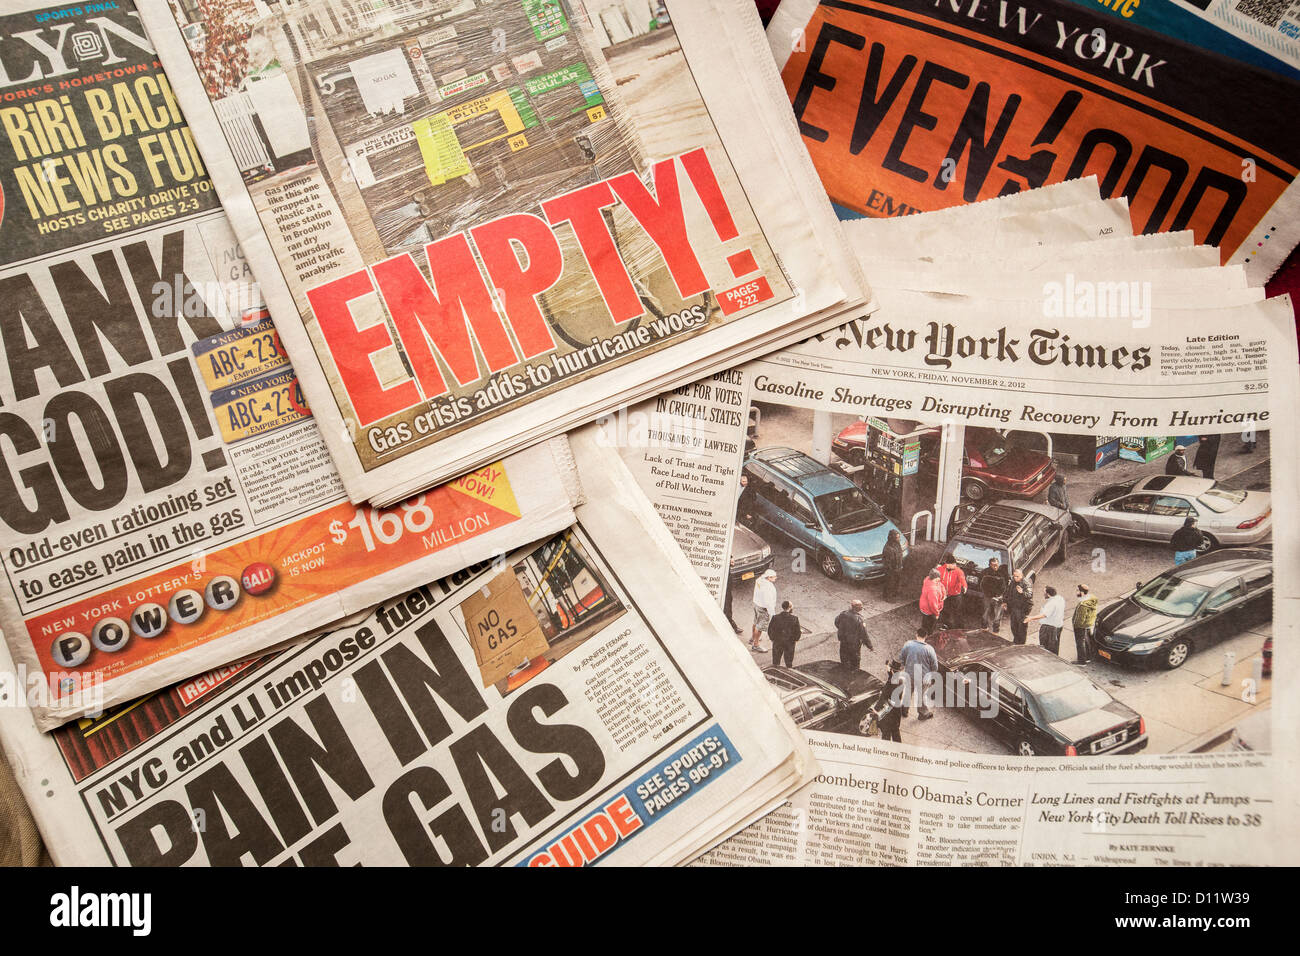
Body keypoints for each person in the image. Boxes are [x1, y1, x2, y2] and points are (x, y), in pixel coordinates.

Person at [899, 628, 939, 720]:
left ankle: (904, 711)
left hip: (909, 674)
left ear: (916, 634)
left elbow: (901, 658)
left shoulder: (908, 644)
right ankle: (922, 714)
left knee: (908, 692)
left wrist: (905, 665)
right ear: (926, 636)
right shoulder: (929, 649)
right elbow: (935, 666)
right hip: (923, 677)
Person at [869, 658, 906, 742]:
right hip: (896, 712)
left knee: (886, 733)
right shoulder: (900, 680)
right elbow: (891, 674)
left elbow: (884, 698)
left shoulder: (891, 684)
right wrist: (887, 667)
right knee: (895, 731)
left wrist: (876, 710)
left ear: (893, 670)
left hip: (888, 711)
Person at [834, 599, 874, 669]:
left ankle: (844, 673)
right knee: (855, 663)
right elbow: (864, 634)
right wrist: (870, 646)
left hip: (844, 641)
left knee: (844, 659)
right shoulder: (859, 620)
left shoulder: (843, 614)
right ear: (856, 607)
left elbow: (836, 622)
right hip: (854, 645)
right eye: (861, 606)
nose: (862, 607)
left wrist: (843, 631)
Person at [1026, 585, 1065, 654]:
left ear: (1048, 594)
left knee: (1046, 647)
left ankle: (1047, 661)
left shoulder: (1051, 604)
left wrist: (1031, 618)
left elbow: (1044, 615)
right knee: (1055, 646)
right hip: (1058, 626)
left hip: (1049, 628)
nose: (1043, 594)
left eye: (1044, 592)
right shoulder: (1060, 598)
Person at [1003, 569, 1034, 645]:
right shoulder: (1013, 582)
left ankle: (1021, 644)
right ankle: (1016, 641)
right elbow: (1008, 592)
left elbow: (1029, 595)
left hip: (1022, 609)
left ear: (1022, 575)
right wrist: (1005, 601)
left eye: (1017, 576)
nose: (1015, 578)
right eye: (1014, 576)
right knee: (1014, 626)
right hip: (1014, 607)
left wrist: (1022, 592)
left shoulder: (1026, 583)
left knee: (1022, 628)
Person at [1071, 584, 1099, 664]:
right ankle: (1088, 657)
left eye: (1077, 590)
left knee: (1080, 643)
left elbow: (1080, 619)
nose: (1076, 592)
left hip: (1081, 626)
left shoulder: (1083, 605)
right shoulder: (1091, 599)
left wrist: (1075, 625)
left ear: (1082, 592)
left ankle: (1081, 661)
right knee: (1086, 641)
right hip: (1088, 624)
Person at [768, 600, 801, 668]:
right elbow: (797, 632)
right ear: (790, 607)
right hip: (789, 644)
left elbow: (770, 630)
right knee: (789, 663)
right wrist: (795, 639)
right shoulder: (794, 619)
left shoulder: (775, 617)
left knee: (776, 662)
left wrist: (773, 639)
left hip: (777, 642)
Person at [751, 569, 777, 652]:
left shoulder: (759, 580)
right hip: (763, 608)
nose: (776, 578)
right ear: (769, 578)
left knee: (755, 622)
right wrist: (772, 614)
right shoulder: (768, 587)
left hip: (756, 604)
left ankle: (752, 638)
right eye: (774, 577)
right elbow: (768, 602)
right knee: (760, 627)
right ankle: (756, 645)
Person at [937, 559, 967, 628]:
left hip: (956, 594)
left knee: (957, 610)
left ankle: (960, 627)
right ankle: (946, 625)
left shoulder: (958, 571)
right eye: (952, 564)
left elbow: (962, 579)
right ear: (947, 564)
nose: (954, 566)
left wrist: (965, 586)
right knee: (944, 610)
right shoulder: (940, 569)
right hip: (945, 593)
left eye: (954, 564)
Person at [980, 557, 1007, 632]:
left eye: (997, 565)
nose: (995, 567)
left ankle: (996, 629)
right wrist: (987, 594)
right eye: (993, 565)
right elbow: (982, 585)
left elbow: (1005, 586)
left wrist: (1000, 595)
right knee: (985, 612)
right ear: (989, 565)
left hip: (998, 597)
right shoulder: (985, 572)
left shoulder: (1003, 573)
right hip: (987, 596)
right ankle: (984, 627)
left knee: (997, 614)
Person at [881, 529, 906, 602]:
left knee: (896, 582)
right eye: (897, 537)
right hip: (891, 570)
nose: (899, 539)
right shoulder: (888, 549)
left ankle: (894, 593)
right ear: (892, 538)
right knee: (890, 583)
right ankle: (887, 597)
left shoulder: (897, 544)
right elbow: (887, 562)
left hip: (897, 568)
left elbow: (899, 554)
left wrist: (900, 565)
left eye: (899, 537)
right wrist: (892, 570)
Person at [918, 570, 945, 635]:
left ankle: (921, 635)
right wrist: (936, 614)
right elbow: (933, 604)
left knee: (924, 623)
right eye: (937, 579)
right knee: (930, 626)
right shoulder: (932, 590)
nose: (939, 580)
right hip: (930, 611)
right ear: (934, 578)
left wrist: (943, 593)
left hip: (924, 607)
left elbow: (940, 585)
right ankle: (927, 637)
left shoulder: (928, 579)